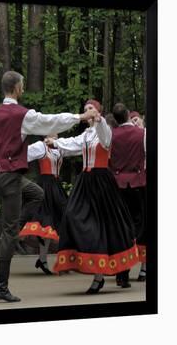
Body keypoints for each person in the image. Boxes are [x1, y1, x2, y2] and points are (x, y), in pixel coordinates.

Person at [0, 71, 97, 302]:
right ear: (17, 88)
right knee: (9, 233)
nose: (23, 89)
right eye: (22, 86)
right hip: (10, 177)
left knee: (37, 193)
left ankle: (19, 226)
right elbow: (51, 121)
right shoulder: (23, 115)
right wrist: (81, 117)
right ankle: (1, 286)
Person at [50, 100, 139, 293]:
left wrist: (99, 121)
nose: (87, 111)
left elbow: (106, 139)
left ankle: (98, 277)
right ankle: (84, 260)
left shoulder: (104, 130)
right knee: (72, 215)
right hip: (86, 181)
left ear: (98, 111)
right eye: (85, 110)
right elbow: (72, 144)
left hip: (101, 182)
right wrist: (55, 142)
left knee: (101, 226)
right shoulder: (86, 135)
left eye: (91, 109)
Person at [19, 136, 68, 275]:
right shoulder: (41, 147)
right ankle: (43, 259)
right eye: (51, 133)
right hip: (46, 186)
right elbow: (24, 153)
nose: (54, 136)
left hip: (56, 186)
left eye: (56, 134)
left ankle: (60, 260)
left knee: (64, 221)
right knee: (46, 224)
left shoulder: (60, 146)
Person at [110, 103, 147, 282]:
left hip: (118, 185)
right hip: (138, 184)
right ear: (126, 114)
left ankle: (122, 271)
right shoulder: (142, 134)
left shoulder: (111, 135)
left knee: (121, 225)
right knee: (140, 225)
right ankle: (143, 268)